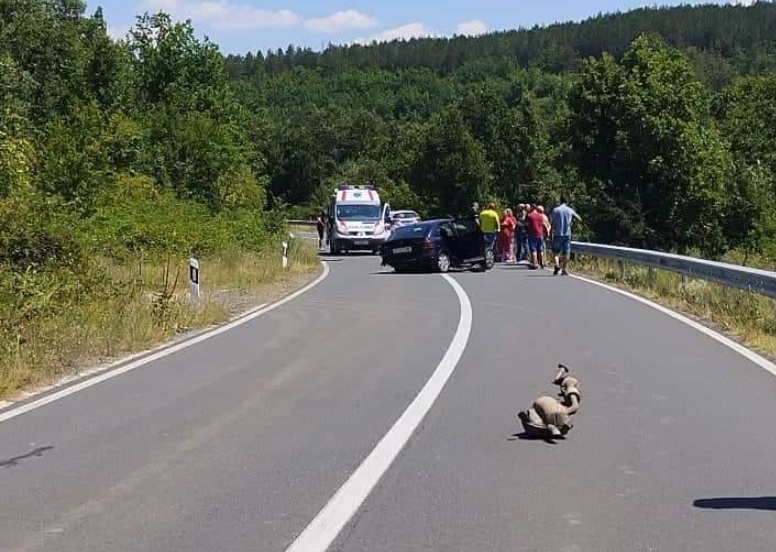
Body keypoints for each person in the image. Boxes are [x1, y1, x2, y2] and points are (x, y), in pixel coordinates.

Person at [550, 196, 582, 276]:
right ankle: (564, 269)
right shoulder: (569, 210)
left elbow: (553, 223)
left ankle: (557, 264)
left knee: (556, 252)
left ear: (560, 201)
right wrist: (572, 224)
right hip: (567, 234)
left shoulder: (555, 210)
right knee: (566, 252)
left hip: (557, 233)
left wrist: (551, 232)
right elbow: (579, 219)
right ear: (566, 202)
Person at [525, 205, 546, 270]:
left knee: (533, 250)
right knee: (540, 249)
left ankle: (534, 264)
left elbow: (527, 224)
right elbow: (543, 224)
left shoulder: (529, 216)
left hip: (532, 234)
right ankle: (542, 263)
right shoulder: (541, 216)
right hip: (540, 234)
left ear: (531, 208)